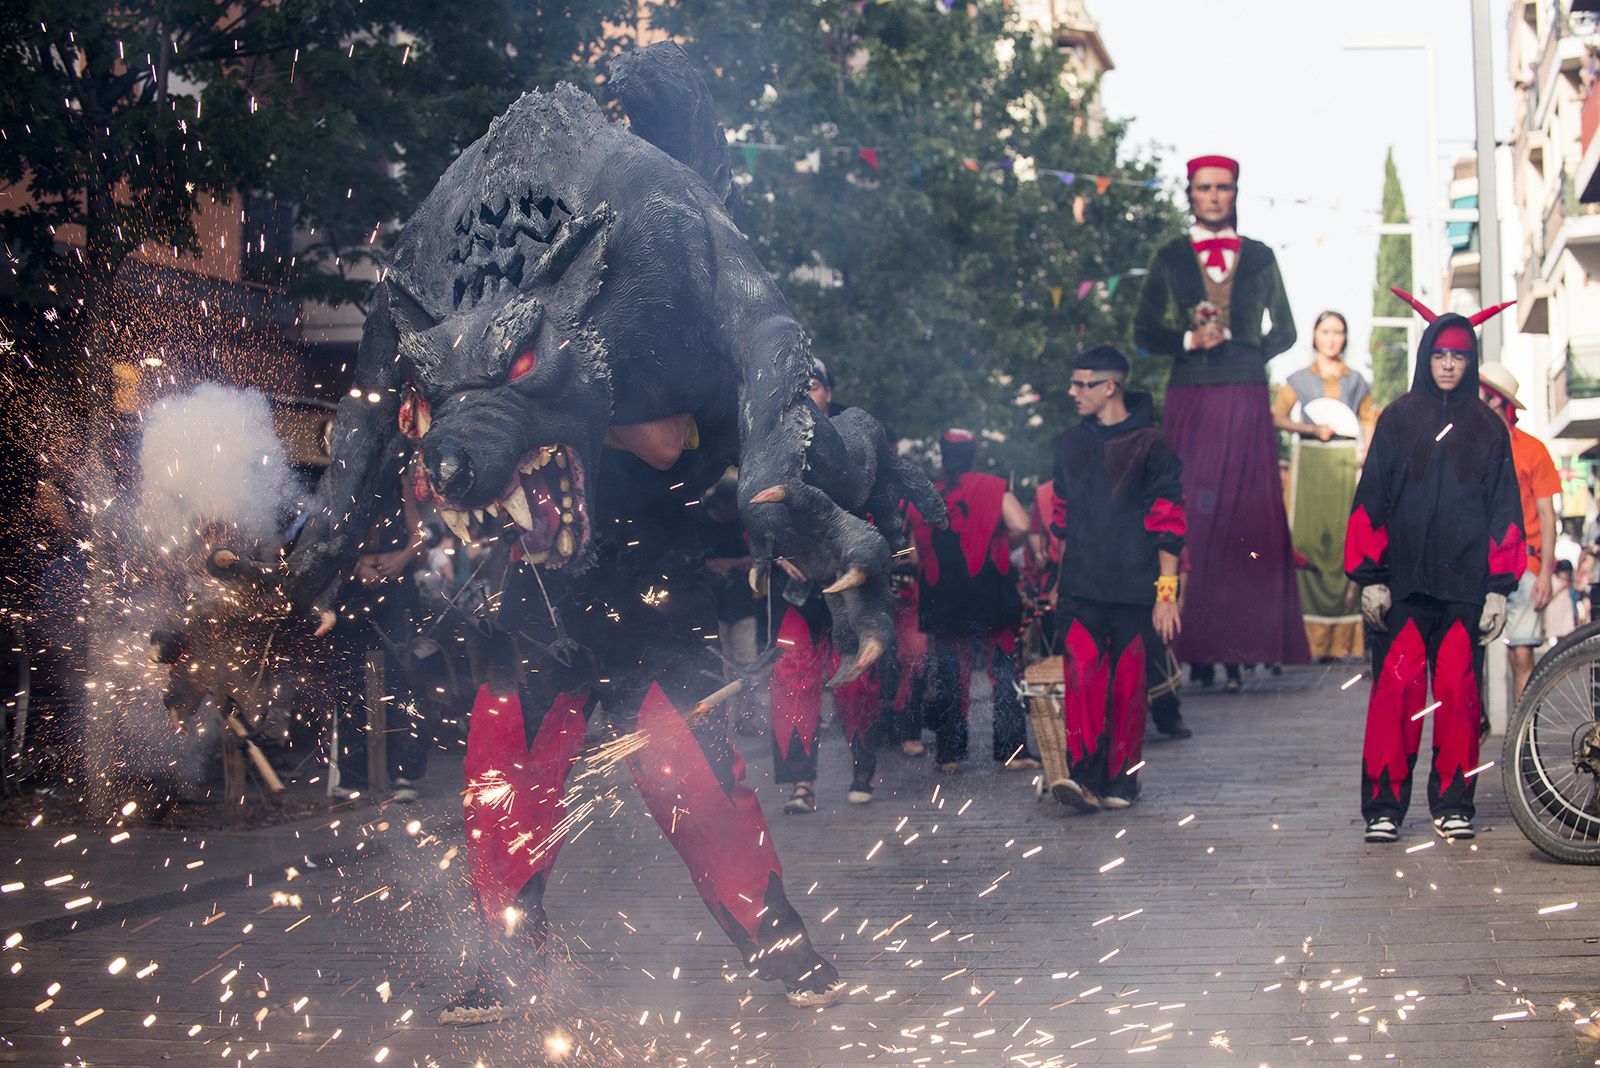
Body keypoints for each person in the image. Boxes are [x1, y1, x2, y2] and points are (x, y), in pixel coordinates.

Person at [1347, 290, 1523, 844]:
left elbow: (1504, 508)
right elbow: (1371, 497)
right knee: (1395, 693)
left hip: (1465, 587)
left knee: (1457, 694)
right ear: (1426, 357)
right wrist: (1370, 578)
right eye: (1440, 355)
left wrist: (1499, 589)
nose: (1448, 365)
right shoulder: (1397, 418)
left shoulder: (1489, 428)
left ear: (1470, 361)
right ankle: (1383, 809)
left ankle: (1455, 805)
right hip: (1403, 584)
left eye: (1459, 356)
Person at [1134, 153, 1308, 688]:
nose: (1214, 196)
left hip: (1247, 392)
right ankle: (1190, 645)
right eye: (1205, 188)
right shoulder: (1169, 256)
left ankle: (1246, 645)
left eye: (1223, 188)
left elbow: (1288, 329)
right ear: (1190, 193)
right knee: (1190, 510)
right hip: (1190, 393)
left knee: (1248, 516)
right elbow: (1144, 330)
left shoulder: (1259, 256)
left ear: (1236, 193)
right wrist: (1188, 341)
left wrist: (1246, 349)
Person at [1047, 346, 1186, 810]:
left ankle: (1122, 781)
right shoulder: (1068, 444)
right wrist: (1056, 580)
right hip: (1081, 587)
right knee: (1082, 679)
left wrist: (1167, 595)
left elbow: (1169, 523)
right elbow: (1061, 521)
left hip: (1135, 589)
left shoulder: (1153, 444)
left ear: (1110, 387)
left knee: (1128, 687)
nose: (1072, 392)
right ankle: (1081, 779)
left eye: (1081, 384)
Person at [767, 360, 885, 809]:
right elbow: (759, 512)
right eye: (796, 390)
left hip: (850, 585)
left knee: (855, 679)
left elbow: (876, 513)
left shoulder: (855, 445)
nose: (805, 397)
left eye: (812, 387)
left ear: (829, 393)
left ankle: (863, 770)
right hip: (800, 591)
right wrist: (776, 552)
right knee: (792, 677)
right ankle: (802, 784)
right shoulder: (775, 449)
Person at [908, 429, 1037, 773]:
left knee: (951, 674)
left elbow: (913, 551)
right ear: (973, 453)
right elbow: (1022, 524)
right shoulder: (994, 486)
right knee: (1003, 669)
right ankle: (1012, 753)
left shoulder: (927, 495)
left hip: (943, 596)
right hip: (990, 590)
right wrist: (1000, 545)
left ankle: (949, 756)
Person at [1273, 311, 1375, 661]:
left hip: (1346, 463)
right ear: (1314, 335)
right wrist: (1311, 430)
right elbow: (1276, 415)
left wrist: (1366, 453)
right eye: (1326, 331)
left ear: (1345, 338)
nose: (1332, 338)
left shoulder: (1357, 380)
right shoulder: (1298, 379)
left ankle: (1346, 640)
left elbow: (1368, 419)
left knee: (1347, 540)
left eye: (1339, 332)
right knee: (1305, 540)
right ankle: (1305, 641)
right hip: (1311, 466)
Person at [1477, 362, 1559, 704]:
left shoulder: (1532, 449)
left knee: (1522, 656)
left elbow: (1546, 514)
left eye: (1485, 397)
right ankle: (1472, 728)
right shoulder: (1467, 446)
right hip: (1477, 563)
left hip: (1524, 564)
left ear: (1501, 402)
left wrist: (1545, 574)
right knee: (1467, 654)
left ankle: (1522, 740)